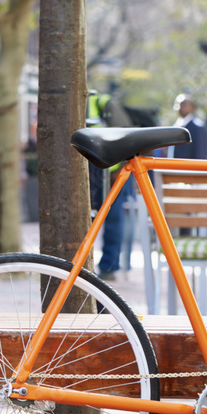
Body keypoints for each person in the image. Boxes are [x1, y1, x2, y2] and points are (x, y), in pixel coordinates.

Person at [86, 89, 133, 280]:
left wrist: (120, 170)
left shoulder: (101, 102)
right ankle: (81, 265)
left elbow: (125, 136)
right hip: (88, 169)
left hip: (108, 172)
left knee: (113, 220)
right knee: (86, 219)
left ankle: (109, 267)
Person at [169, 93, 207, 159]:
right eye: (178, 104)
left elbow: (201, 153)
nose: (180, 107)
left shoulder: (198, 127)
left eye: (184, 104)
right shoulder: (176, 125)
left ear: (192, 107)